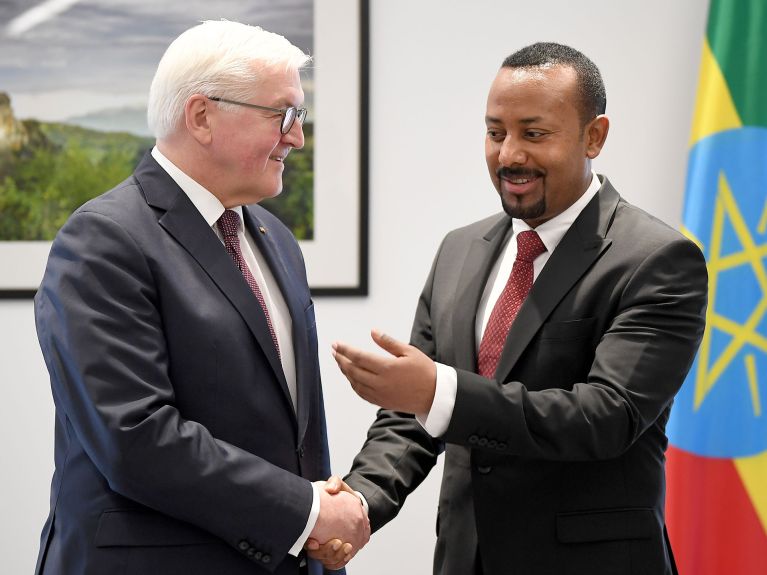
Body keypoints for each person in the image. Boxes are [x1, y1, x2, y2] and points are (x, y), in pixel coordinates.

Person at [328, 42, 707, 574]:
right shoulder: (459, 250)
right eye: (495, 132)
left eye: (534, 134)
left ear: (594, 136)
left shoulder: (658, 259)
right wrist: (360, 503)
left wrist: (437, 391)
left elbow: (606, 416)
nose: (509, 155)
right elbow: (414, 414)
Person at [33, 20, 367, 575]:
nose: (297, 137)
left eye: (299, 116)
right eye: (282, 115)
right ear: (202, 116)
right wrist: (307, 511)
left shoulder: (273, 238)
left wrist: (314, 528)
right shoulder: (103, 239)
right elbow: (135, 440)